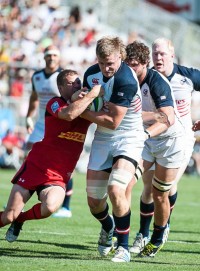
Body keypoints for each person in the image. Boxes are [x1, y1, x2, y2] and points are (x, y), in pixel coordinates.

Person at [0, 69, 103, 242]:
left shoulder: (86, 106)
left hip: (57, 175)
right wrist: (92, 94)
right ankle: (14, 219)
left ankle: (21, 220)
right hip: (36, 166)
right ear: (61, 88)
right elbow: (69, 114)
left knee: (50, 207)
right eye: (72, 83)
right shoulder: (54, 103)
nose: (77, 85)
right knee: (8, 216)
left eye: (79, 82)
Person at [129, 38, 200, 256]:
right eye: (155, 53)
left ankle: (161, 229)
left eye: (162, 53)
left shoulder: (188, 76)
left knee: (164, 188)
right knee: (146, 188)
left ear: (172, 54)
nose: (158, 57)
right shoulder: (144, 76)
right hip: (150, 138)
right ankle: (142, 234)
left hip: (181, 139)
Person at [78, 36, 146, 263]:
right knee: (94, 201)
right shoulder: (91, 74)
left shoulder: (126, 79)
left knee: (117, 189)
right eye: (102, 62)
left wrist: (82, 111)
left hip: (128, 137)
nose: (106, 68)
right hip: (102, 139)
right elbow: (88, 104)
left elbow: (113, 121)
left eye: (111, 63)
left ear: (120, 57)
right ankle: (108, 227)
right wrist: (81, 99)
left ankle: (123, 248)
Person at [25, 44, 73, 218]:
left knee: (61, 164)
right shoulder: (37, 76)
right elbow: (33, 98)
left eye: (54, 55)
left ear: (58, 57)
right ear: (44, 57)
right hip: (40, 123)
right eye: (48, 55)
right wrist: (28, 117)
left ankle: (66, 207)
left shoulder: (64, 77)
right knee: (29, 155)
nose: (51, 58)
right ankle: (21, 197)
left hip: (57, 123)